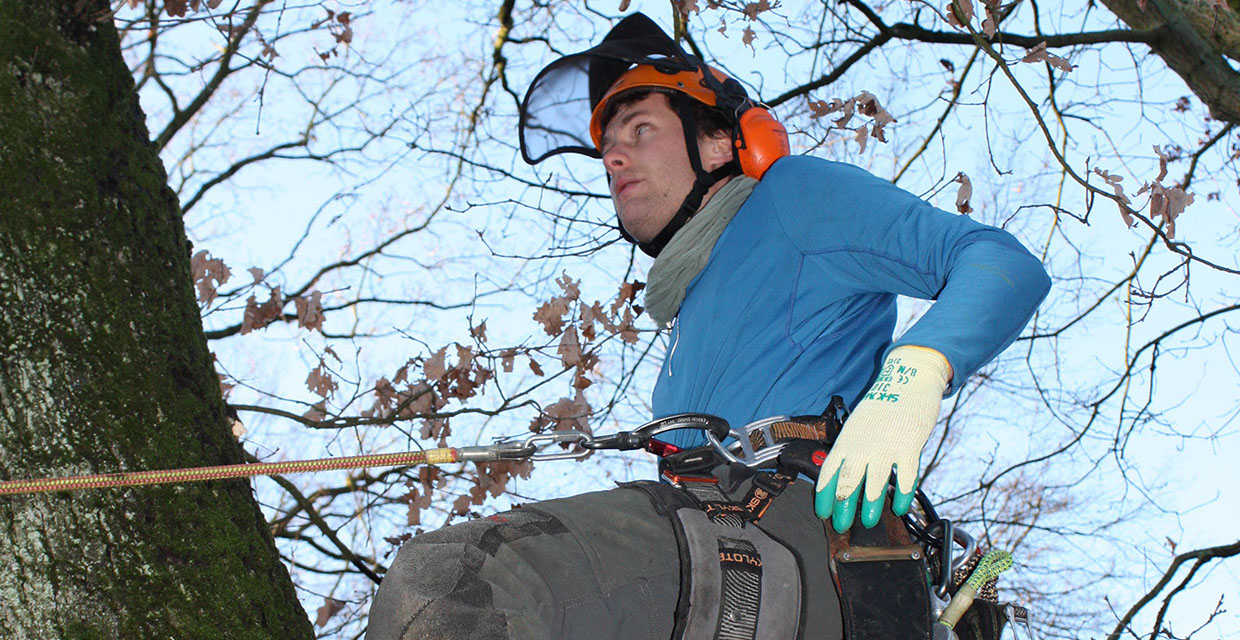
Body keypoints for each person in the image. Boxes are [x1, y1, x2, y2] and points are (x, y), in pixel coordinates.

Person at [368, 12, 1050, 640]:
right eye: (607, 147)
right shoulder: (687, 320)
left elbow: (997, 261)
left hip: (808, 546)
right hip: (720, 564)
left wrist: (912, 378)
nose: (613, 158)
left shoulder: (793, 199)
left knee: (459, 580)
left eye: (640, 130)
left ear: (723, 142)